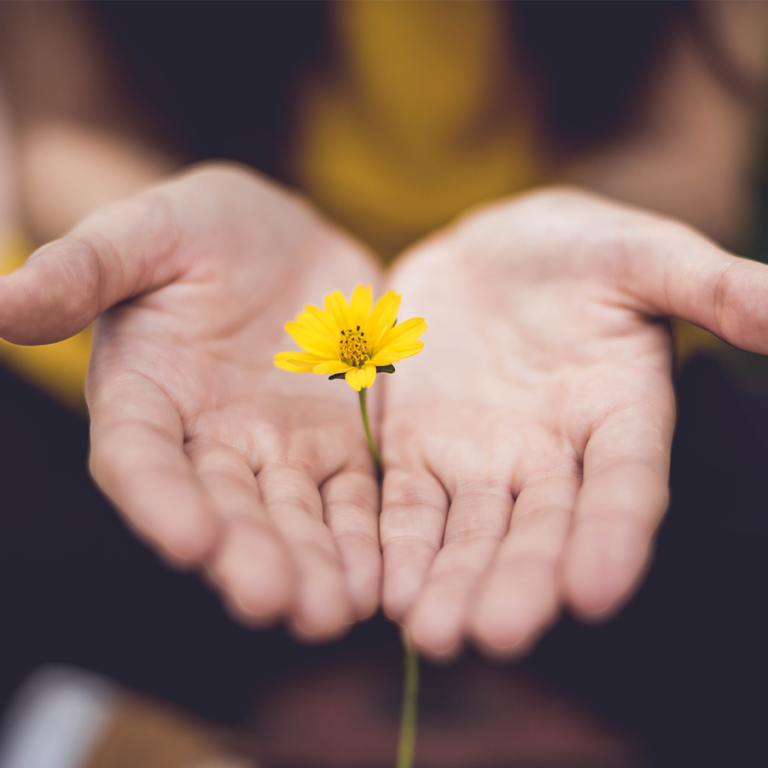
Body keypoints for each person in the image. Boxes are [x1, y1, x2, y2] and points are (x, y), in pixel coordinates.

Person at [1, 0, 767, 666]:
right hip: (194, 366)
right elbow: (71, 124)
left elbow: (686, 148)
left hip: (570, 371)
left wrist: (608, 231)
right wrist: (149, 231)